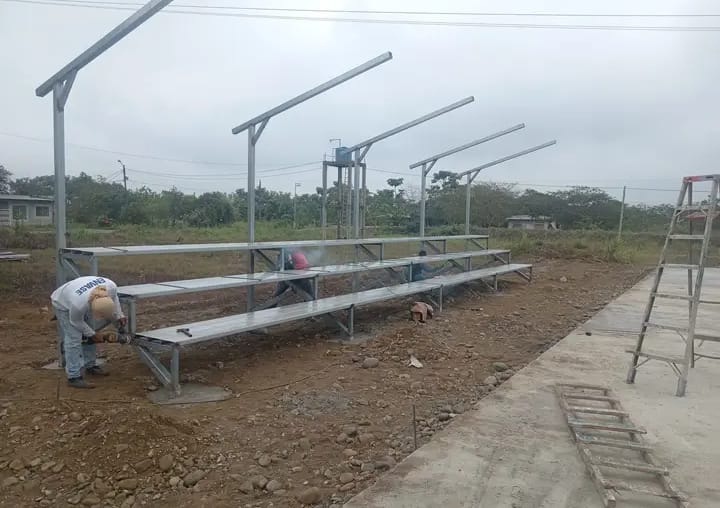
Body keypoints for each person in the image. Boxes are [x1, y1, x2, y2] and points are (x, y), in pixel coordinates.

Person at [50, 276, 126, 389]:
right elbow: (76, 322)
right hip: (62, 302)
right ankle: (73, 377)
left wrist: (119, 315)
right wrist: (93, 335)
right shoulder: (78, 305)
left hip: (79, 295)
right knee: (74, 338)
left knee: (89, 330)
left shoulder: (111, 287)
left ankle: (90, 365)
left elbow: (114, 298)